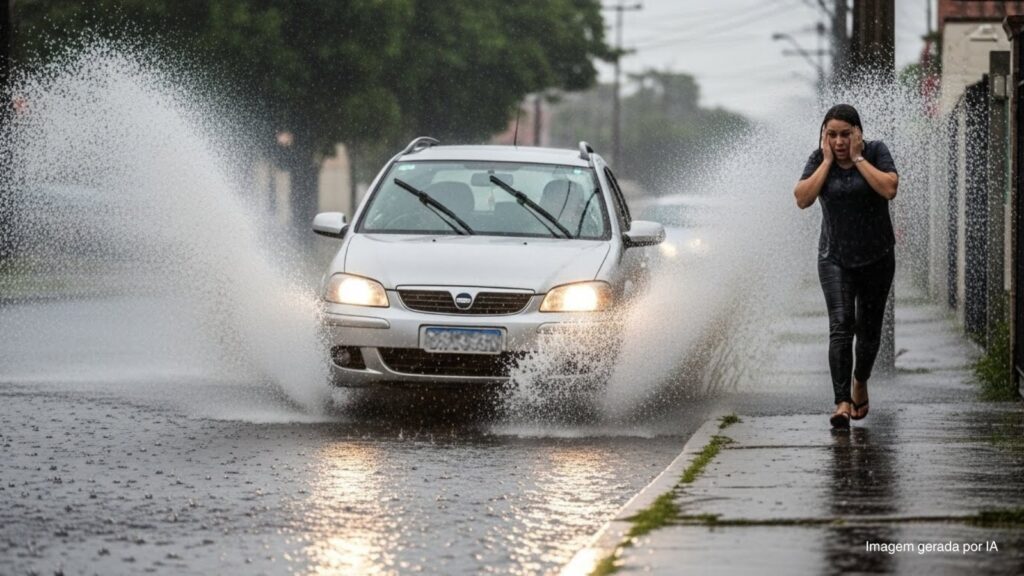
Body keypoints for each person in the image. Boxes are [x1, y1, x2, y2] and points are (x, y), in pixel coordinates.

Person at [793, 104, 899, 429]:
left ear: (858, 133)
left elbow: (889, 188)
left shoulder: (876, 152)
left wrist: (858, 159)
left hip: (877, 258)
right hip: (834, 258)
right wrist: (827, 163)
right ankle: (841, 402)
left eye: (845, 134)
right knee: (841, 326)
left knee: (868, 332)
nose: (839, 141)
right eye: (832, 135)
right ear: (824, 137)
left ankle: (860, 381)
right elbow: (802, 198)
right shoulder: (818, 159)